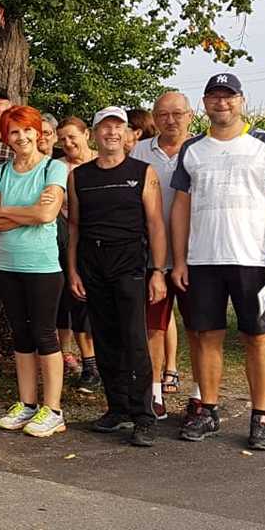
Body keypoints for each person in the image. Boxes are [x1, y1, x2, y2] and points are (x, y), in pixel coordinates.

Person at [171, 73, 265, 450]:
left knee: (256, 338)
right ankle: (208, 410)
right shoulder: (192, 149)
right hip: (203, 260)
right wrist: (180, 260)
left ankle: (260, 418)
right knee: (206, 337)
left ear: (241, 100)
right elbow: (181, 208)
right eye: (214, 96)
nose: (221, 103)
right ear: (205, 103)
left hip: (253, 261)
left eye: (229, 96)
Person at [66, 107, 169, 447]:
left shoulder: (142, 172)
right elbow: (74, 226)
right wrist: (74, 270)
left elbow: (155, 224)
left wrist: (158, 271)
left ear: (126, 134)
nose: (111, 132)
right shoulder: (79, 176)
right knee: (105, 337)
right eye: (105, 127)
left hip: (129, 262)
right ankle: (117, 407)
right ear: (94, 133)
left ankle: (143, 415)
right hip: (92, 262)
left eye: (117, 127)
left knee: (134, 339)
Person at [0, 105, 68, 437]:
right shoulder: (2, 172)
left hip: (42, 265)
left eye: (27, 130)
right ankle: (27, 403)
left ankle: (53, 409)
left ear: (37, 132)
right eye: (14, 132)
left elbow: (46, 215)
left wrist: (5, 211)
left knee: (45, 334)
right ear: (7, 137)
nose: (21, 137)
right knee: (21, 335)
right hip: (7, 264)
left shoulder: (53, 168)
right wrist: (25, 212)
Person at [132, 90, 193, 418]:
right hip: (153, 256)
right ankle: (154, 393)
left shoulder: (201, 149)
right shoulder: (140, 151)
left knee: (199, 328)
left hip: (194, 255)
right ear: (154, 118)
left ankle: (200, 395)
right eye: (163, 114)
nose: (171, 120)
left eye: (177, 114)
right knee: (153, 327)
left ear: (190, 116)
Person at [55, 116, 100, 390]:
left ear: (87, 134)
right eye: (63, 139)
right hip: (70, 241)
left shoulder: (102, 160)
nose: (68, 143)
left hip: (104, 241)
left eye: (73, 136)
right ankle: (89, 365)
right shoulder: (57, 167)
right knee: (78, 301)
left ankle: (110, 361)